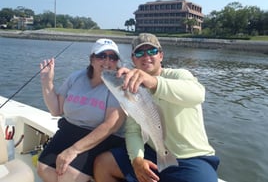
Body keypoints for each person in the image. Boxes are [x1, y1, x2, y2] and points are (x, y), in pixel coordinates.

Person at [94, 33, 220, 182]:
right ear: (134, 59)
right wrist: (137, 160)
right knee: (103, 164)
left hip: (192, 158)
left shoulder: (179, 75)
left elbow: (198, 94)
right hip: (152, 152)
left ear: (161, 55)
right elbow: (134, 130)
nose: (146, 56)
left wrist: (154, 82)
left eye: (152, 51)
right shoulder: (132, 86)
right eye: (140, 53)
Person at [37, 38, 126, 182]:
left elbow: (111, 125)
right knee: (44, 169)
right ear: (92, 59)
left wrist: (73, 150)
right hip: (69, 131)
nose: (107, 61)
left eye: (113, 57)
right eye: (102, 56)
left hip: (100, 136)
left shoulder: (118, 86)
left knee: (68, 176)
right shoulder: (76, 77)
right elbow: (56, 110)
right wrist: (47, 82)